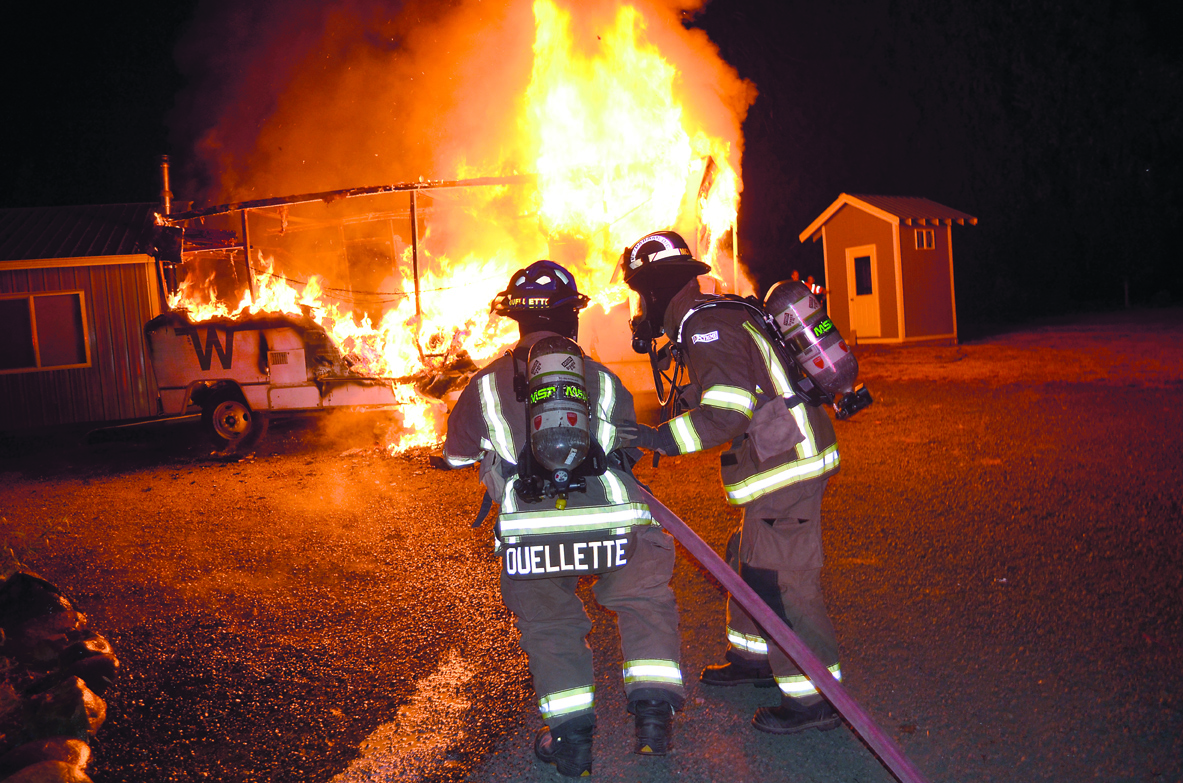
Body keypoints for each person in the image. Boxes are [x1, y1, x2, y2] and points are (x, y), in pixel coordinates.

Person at [442, 260, 685, 777]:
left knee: (551, 624)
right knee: (643, 598)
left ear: (515, 319)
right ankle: (653, 721)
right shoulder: (604, 379)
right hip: (614, 520)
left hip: (531, 531)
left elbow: (457, 456)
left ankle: (572, 743)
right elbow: (627, 445)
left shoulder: (484, 386)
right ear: (571, 317)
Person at [620, 231, 844, 735]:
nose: (639, 306)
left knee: (783, 581)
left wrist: (657, 439)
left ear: (656, 290)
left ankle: (816, 700)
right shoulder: (711, 316)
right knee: (747, 555)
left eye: (640, 293)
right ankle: (754, 660)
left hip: (788, 464)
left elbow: (725, 412)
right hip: (777, 458)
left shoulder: (706, 328)